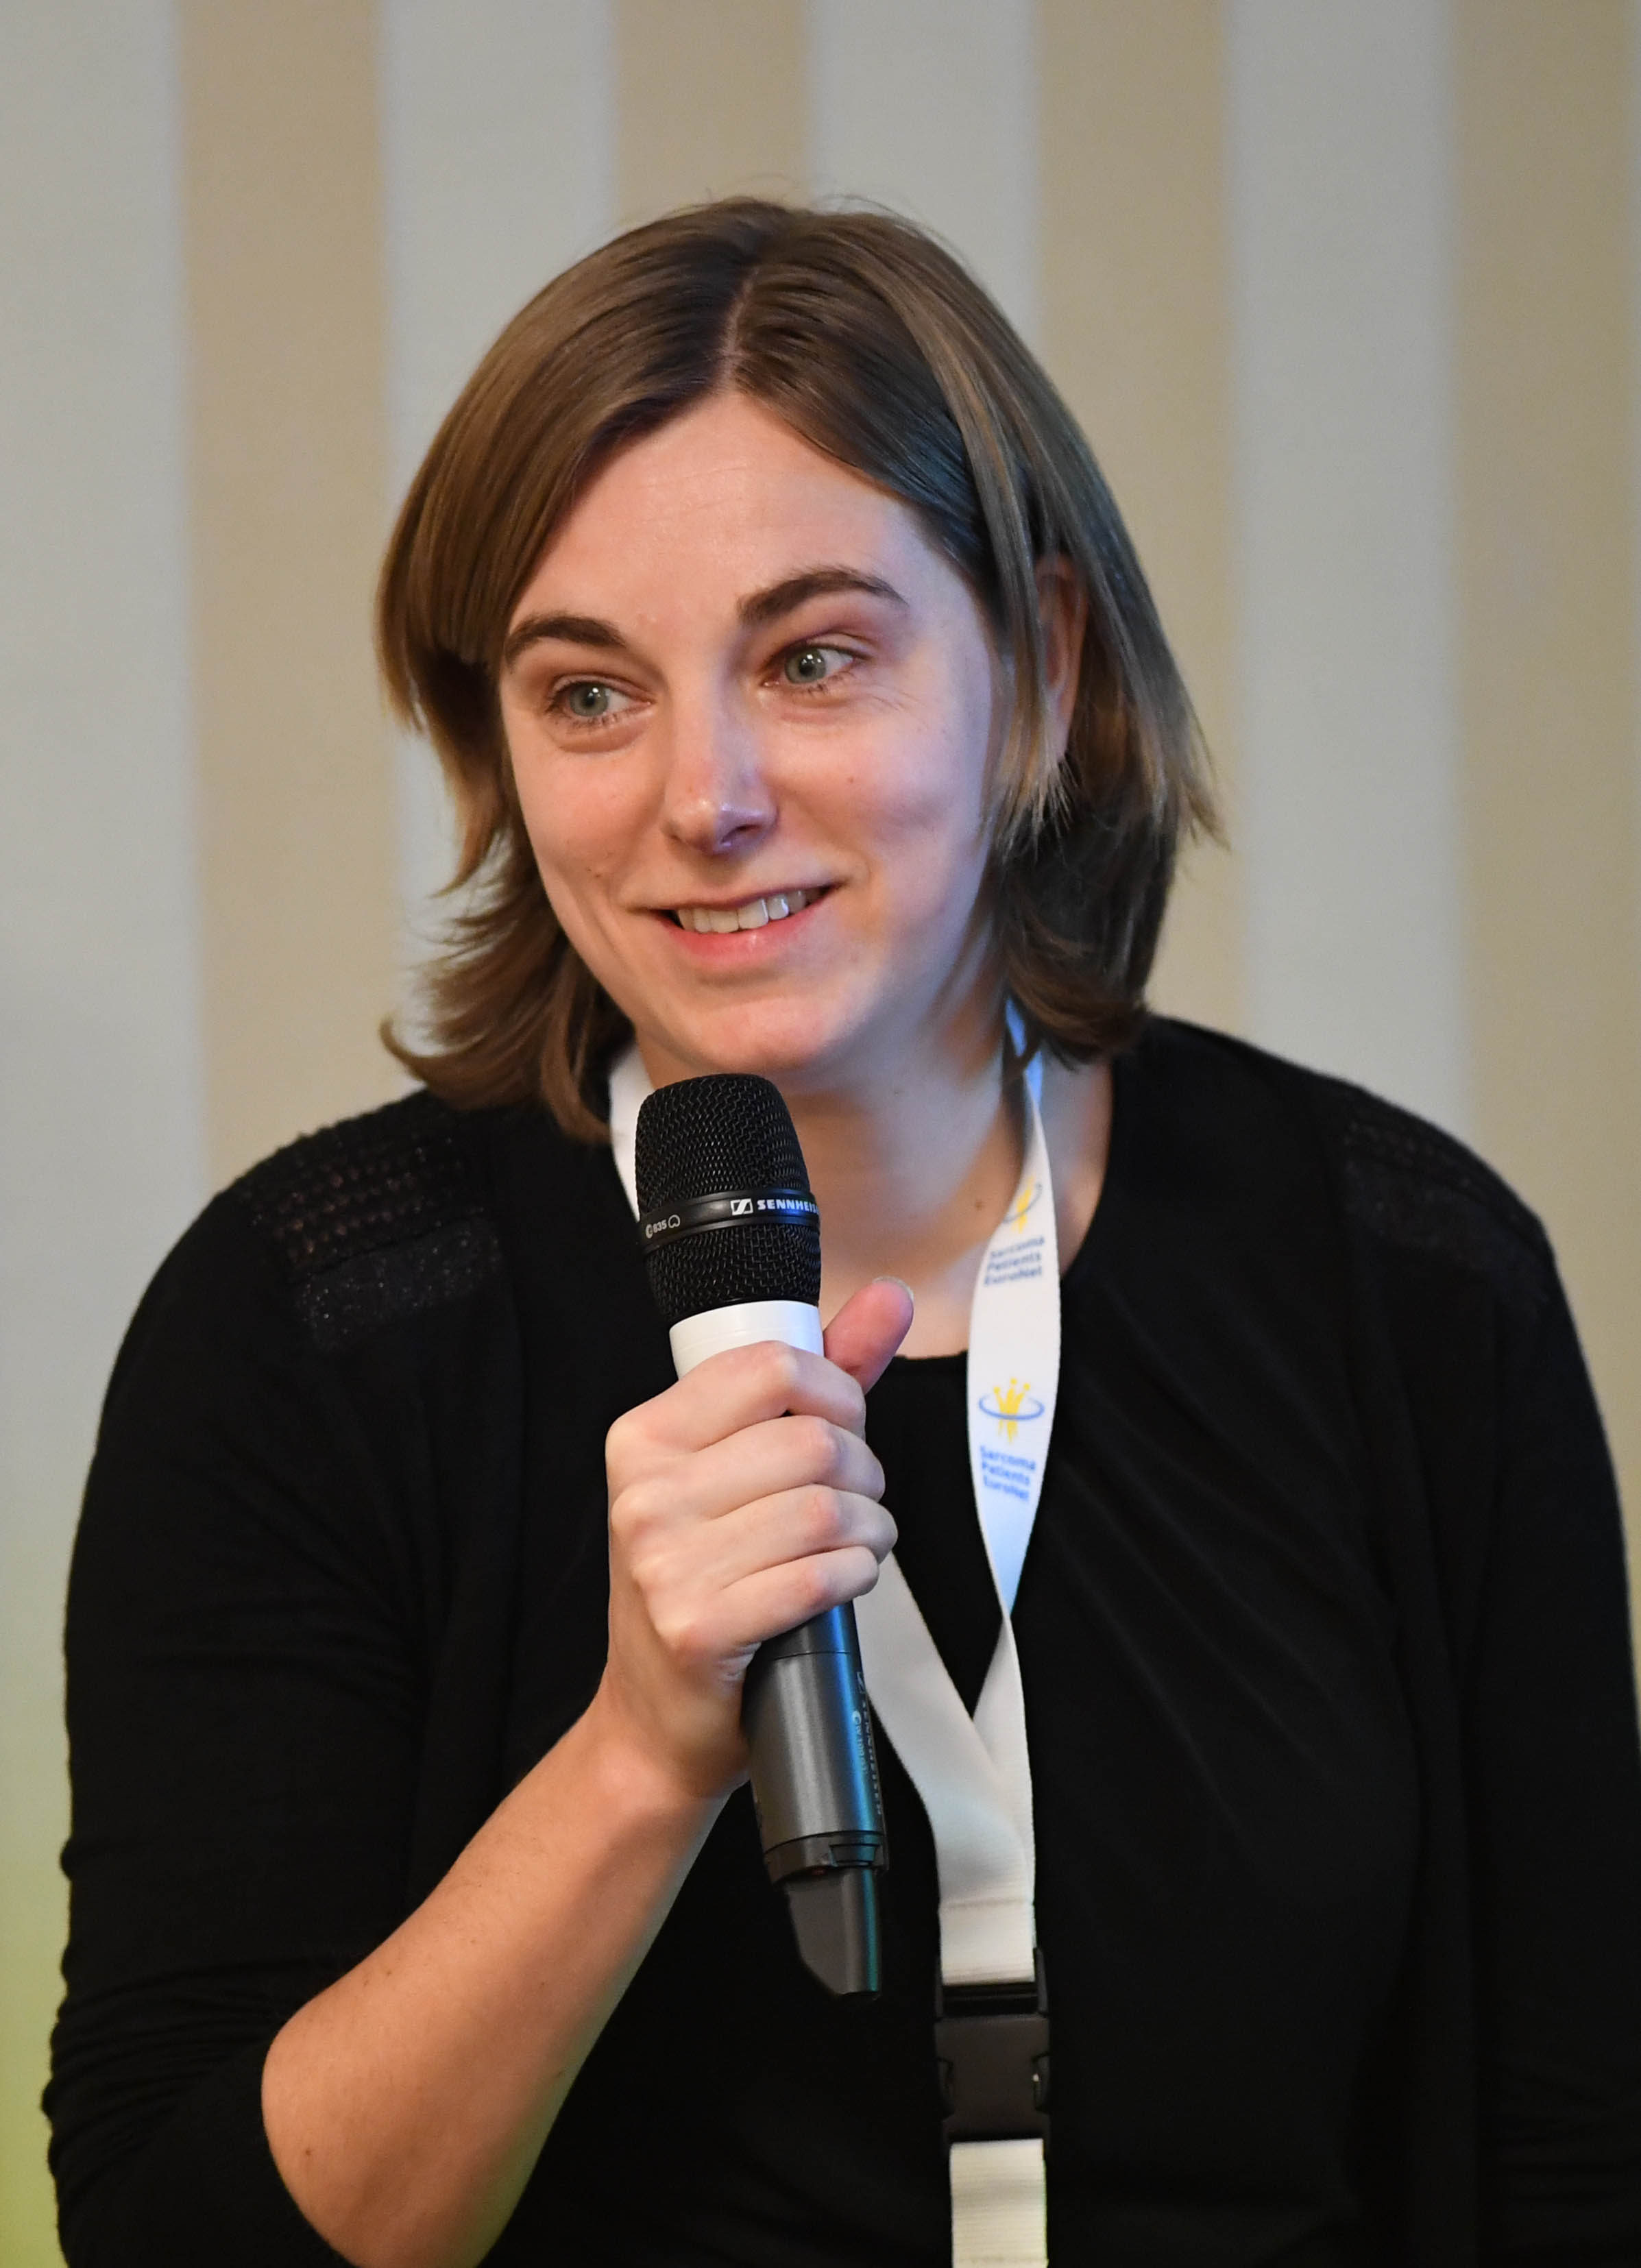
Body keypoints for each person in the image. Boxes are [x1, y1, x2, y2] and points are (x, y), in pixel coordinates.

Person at [47, 199, 1641, 2268]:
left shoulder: (1405, 1278)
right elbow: (170, 2237)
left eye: (813, 659)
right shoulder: (311, 1323)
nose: (703, 795)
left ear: (1041, 671)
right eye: (589, 692)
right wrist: (637, 1761)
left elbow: (1570, 2165)